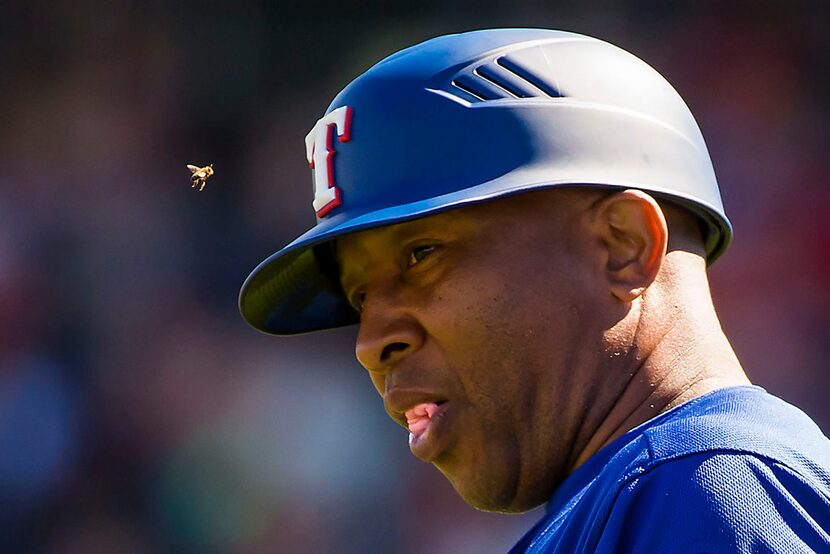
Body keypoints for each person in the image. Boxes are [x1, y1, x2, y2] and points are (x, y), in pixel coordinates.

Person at [239, 29, 830, 552]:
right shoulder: (638, 501)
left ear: (622, 245)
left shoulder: (711, 492)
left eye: (422, 255)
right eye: (361, 298)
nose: (370, 344)